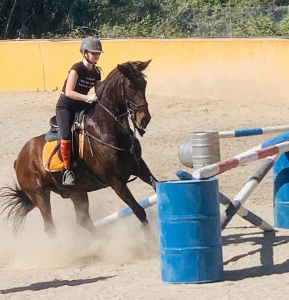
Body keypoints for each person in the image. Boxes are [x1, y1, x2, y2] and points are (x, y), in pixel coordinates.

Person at [56, 36, 103, 186]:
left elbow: (99, 91)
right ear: (84, 53)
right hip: (66, 106)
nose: (96, 56)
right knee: (66, 135)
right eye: (93, 53)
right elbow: (69, 92)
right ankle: (67, 169)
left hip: (82, 105)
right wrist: (87, 97)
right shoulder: (76, 69)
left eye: (98, 53)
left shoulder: (96, 72)